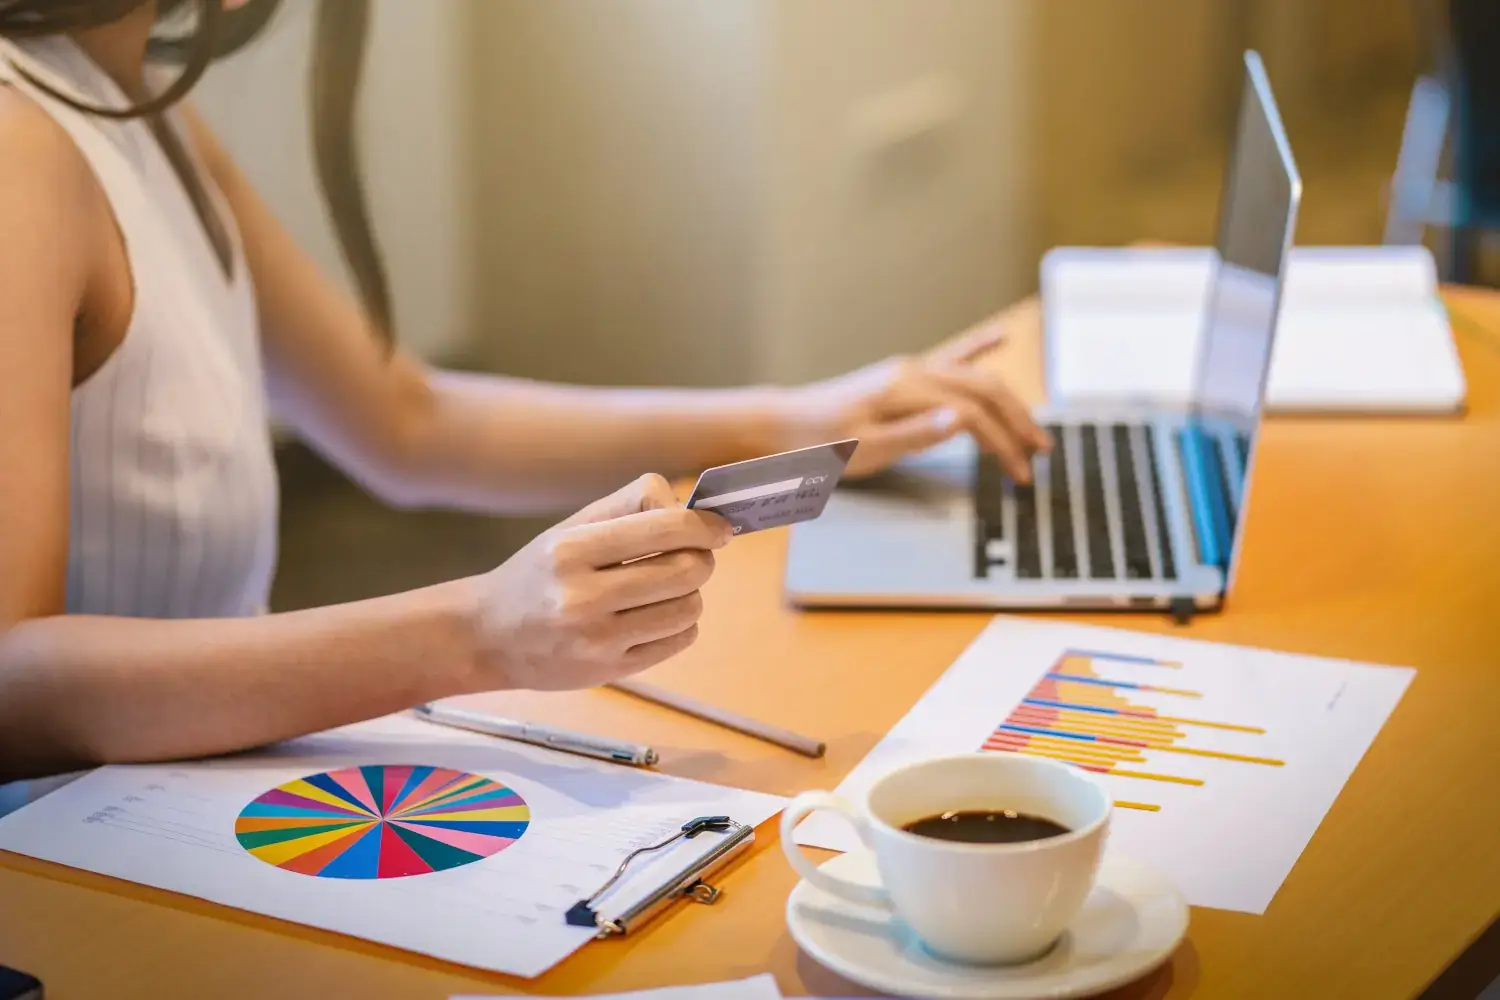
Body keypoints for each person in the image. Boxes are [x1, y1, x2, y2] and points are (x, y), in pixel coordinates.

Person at [0, 0, 1046, 791]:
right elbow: (11, 678)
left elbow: (407, 423)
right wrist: (479, 632)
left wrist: (798, 418)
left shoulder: (141, 112)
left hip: (196, 784)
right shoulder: (21, 141)